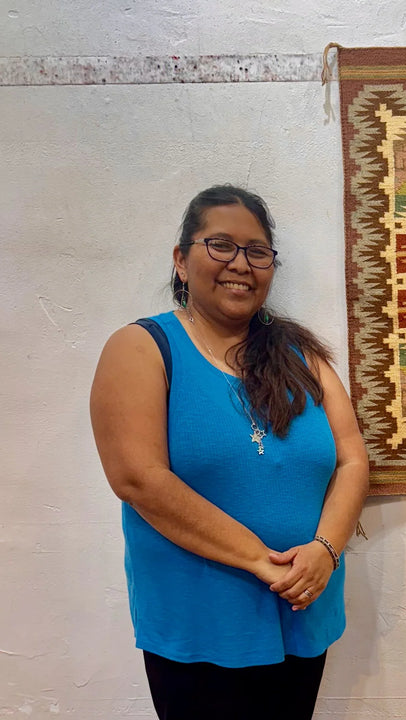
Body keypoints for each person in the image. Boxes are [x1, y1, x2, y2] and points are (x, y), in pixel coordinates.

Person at [90, 184, 369, 719]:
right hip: (201, 625)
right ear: (181, 259)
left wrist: (325, 551)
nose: (240, 263)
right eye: (220, 244)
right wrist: (264, 562)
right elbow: (138, 478)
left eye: (257, 251)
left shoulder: (302, 355)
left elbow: (351, 456)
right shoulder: (143, 347)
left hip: (304, 608)